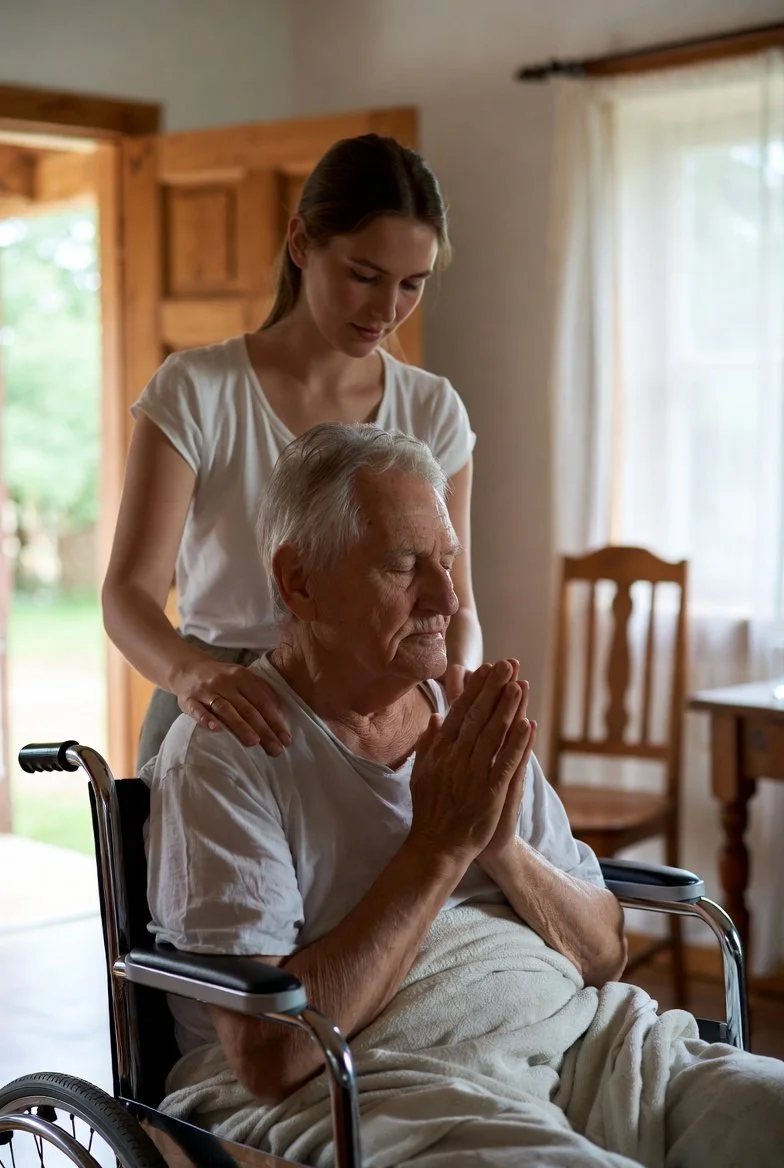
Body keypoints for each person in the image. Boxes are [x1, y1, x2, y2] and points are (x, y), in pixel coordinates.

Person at [146, 424, 784, 1168]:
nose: (448, 597)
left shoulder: (464, 720)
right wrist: (439, 847)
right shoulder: (230, 750)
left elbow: (604, 952)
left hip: (593, 1046)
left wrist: (501, 845)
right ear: (300, 582)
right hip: (389, 1089)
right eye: (404, 565)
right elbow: (270, 1055)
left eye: (447, 560)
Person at [102, 133, 481, 770]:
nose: (386, 309)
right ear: (302, 242)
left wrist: (456, 681)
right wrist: (193, 677)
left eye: (411, 284)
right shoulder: (198, 390)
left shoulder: (432, 409)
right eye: (364, 276)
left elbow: (458, 601)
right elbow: (127, 596)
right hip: (224, 706)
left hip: (379, 713)